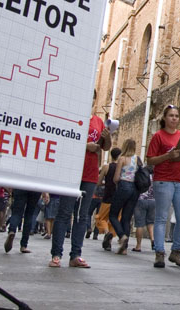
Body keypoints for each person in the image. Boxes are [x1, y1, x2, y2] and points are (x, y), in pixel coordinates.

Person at [49, 114, 110, 268]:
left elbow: (106, 147)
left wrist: (107, 137)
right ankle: (56, 254)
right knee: (64, 212)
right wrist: (85, 146)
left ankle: (76, 254)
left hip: (90, 173)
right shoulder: (71, 115)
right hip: (71, 171)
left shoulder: (97, 121)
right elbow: (63, 140)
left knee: (82, 216)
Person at [146, 104, 180, 268]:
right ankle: (160, 253)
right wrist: (168, 155)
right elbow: (150, 160)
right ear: (165, 118)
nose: (174, 118)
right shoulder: (158, 137)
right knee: (162, 217)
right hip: (163, 180)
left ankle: (176, 251)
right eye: (171, 115)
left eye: (176, 116)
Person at [109, 139, 141, 254]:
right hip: (135, 189)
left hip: (123, 186)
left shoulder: (122, 159)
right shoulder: (137, 159)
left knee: (113, 214)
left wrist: (116, 183)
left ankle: (122, 236)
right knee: (126, 218)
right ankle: (124, 249)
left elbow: (116, 178)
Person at [4, 187, 41, 253]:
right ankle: (24, 245)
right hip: (36, 187)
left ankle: (12, 231)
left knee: (17, 212)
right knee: (29, 214)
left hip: (21, 185)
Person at [97, 147, 120, 250]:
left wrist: (105, 183)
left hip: (107, 196)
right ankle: (109, 242)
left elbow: (98, 182)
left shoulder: (106, 167)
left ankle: (106, 233)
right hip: (118, 197)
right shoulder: (122, 168)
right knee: (114, 219)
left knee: (101, 218)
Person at [132, 156, 155, 252]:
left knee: (139, 224)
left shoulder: (141, 174)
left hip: (140, 200)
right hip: (153, 201)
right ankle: (153, 240)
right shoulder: (155, 176)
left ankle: (138, 245)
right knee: (151, 223)